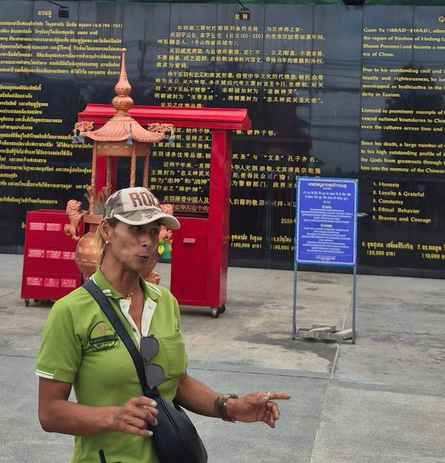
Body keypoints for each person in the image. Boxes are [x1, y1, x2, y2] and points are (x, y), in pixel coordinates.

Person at [37, 186, 290, 462]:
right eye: (136, 229)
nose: (147, 241)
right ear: (107, 231)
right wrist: (114, 417)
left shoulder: (165, 302)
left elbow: (176, 383)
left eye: (154, 231)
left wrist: (230, 406)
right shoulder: (71, 312)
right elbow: (49, 412)